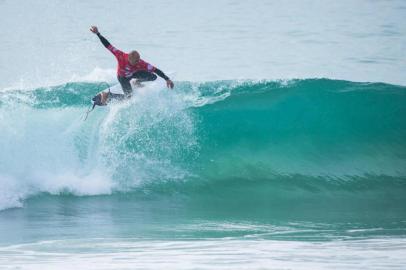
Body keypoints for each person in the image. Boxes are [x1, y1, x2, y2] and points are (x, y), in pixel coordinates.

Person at [90, 26, 174, 102]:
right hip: (123, 77)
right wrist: (98, 34)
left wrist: (167, 79)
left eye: (139, 59)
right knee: (129, 98)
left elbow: (156, 70)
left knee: (153, 76)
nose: (138, 62)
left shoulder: (141, 63)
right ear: (129, 58)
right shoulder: (120, 56)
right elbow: (108, 45)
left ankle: (137, 82)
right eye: (136, 61)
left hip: (133, 74)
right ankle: (108, 95)